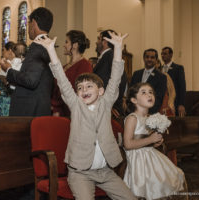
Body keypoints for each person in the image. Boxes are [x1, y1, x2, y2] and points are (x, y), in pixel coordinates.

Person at [35, 32, 136, 200]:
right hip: (80, 173)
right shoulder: (76, 106)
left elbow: (116, 78)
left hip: (105, 172)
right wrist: (51, 51)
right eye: (80, 88)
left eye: (89, 86)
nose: (84, 90)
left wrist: (118, 49)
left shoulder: (106, 103)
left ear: (101, 91)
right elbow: (61, 79)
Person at [123, 82, 187, 199]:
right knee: (154, 185)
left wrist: (155, 142)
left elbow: (147, 141)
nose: (149, 95)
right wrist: (150, 139)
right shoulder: (132, 118)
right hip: (139, 162)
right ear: (134, 100)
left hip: (150, 156)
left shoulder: (149, 118)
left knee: (174, 175)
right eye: (144, 92)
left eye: (151, 92)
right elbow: (127, 144)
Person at [1, 7, 54, 117]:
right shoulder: (47, 45)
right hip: (37, 107)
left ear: (33, 23)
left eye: (29, 23)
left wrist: (9, 70)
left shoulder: (38, 46)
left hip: (29, 110)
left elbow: (30, 80)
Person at [51, 30, 92, 117]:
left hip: (72, 112)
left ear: (75, 45)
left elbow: (79, 91)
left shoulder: (85, 65)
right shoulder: (65, 66)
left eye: (66, 42)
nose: (64, 45)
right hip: (58, 109)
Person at [94, 29, 128, 118]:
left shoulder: (111, 55)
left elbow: (121, 79)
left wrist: (111, 105)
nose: (96, 42)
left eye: (98, 39)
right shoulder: (106, 56)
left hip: (110, 109)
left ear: (104, 42)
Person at [130, 49, 167, 114]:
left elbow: (158, 98)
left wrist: (147, 113)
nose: (149, 59)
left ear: (156, 60)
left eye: (152, 57)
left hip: (150, 113)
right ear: (144, 58)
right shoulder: (136, 74)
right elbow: (131, 93)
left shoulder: (161, 77)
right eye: (147, 57)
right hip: (134, 111)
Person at [161, 47, 186, 117]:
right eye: (162, 54)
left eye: (165, 54)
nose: (163, 55)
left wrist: (181, 104)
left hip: (175, 101)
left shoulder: (178, 68)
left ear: (171, 55)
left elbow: (182, 86)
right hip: (161, 103)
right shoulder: (159, 69)